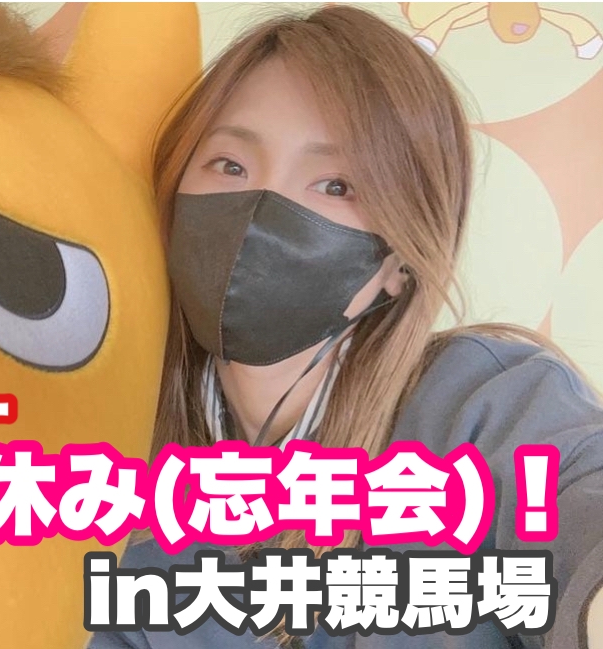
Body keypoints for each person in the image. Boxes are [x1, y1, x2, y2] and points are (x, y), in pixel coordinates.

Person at [88, 5, 603, 649]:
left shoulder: (490, 408)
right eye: (229, 165)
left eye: (335, 185)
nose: (260, 213)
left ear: (399, 262)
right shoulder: (115, 469)